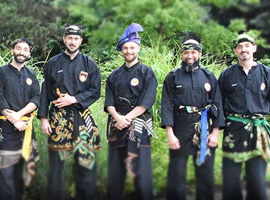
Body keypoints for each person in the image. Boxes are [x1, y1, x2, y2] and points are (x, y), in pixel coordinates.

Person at [38, 25, 101, 200]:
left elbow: (95, 90)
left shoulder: (90, 64)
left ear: (81, 40)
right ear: (64, 39)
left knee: (85, 162)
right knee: (56, 165)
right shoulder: (53, 63)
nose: (72, 42)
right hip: (58, 119)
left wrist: (73, 99)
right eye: (69, 38)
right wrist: (43, 119)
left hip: (82, 117)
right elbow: (44, 92)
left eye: (76, 38)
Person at [161, 32, 224, 200]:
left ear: (199, 54)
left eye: (193, 52)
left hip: (204, 128)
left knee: (205, 172)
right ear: (182, 54)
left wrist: (215, 133)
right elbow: (166, 105)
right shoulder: (173, 76)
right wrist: (170, 134)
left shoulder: (209, 76)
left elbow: (218, 104)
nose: (190, 56)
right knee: (177, 172)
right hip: (180, 128)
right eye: (186, 52)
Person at [105, 23, 157, 200]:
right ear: (122, 50)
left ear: (138, 49)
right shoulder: (114, 75)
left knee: (140, 167)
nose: (129, 51)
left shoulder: (146, 72)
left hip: (138, 125)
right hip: (116, 125)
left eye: (132, 47)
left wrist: (126, 118)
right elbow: (109, 102)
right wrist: (117, 118)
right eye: (126, 48)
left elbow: (146, 102)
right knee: (115, 168)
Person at [219, 32, 270, 200]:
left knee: (257, 179)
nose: (243, 50)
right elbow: (218, 104)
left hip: (258, 130)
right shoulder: (227, 75)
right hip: (233, 131)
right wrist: (215, 129)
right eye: (239, 47)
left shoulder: (266, 73)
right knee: (231, 180)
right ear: (235, 51)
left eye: (247, 46)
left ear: (254, 48)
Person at [0, 38, 40, 200]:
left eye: (25, 49)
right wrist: (14, 119)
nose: (21, 52)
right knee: (4, 172)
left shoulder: (31, 75)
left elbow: (36, 99)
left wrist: (19, 116)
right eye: (18, 48)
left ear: (29, 53)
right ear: (12, 51)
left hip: (25, 127)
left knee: (22, 172)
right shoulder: (1, 72)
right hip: (5, 128)